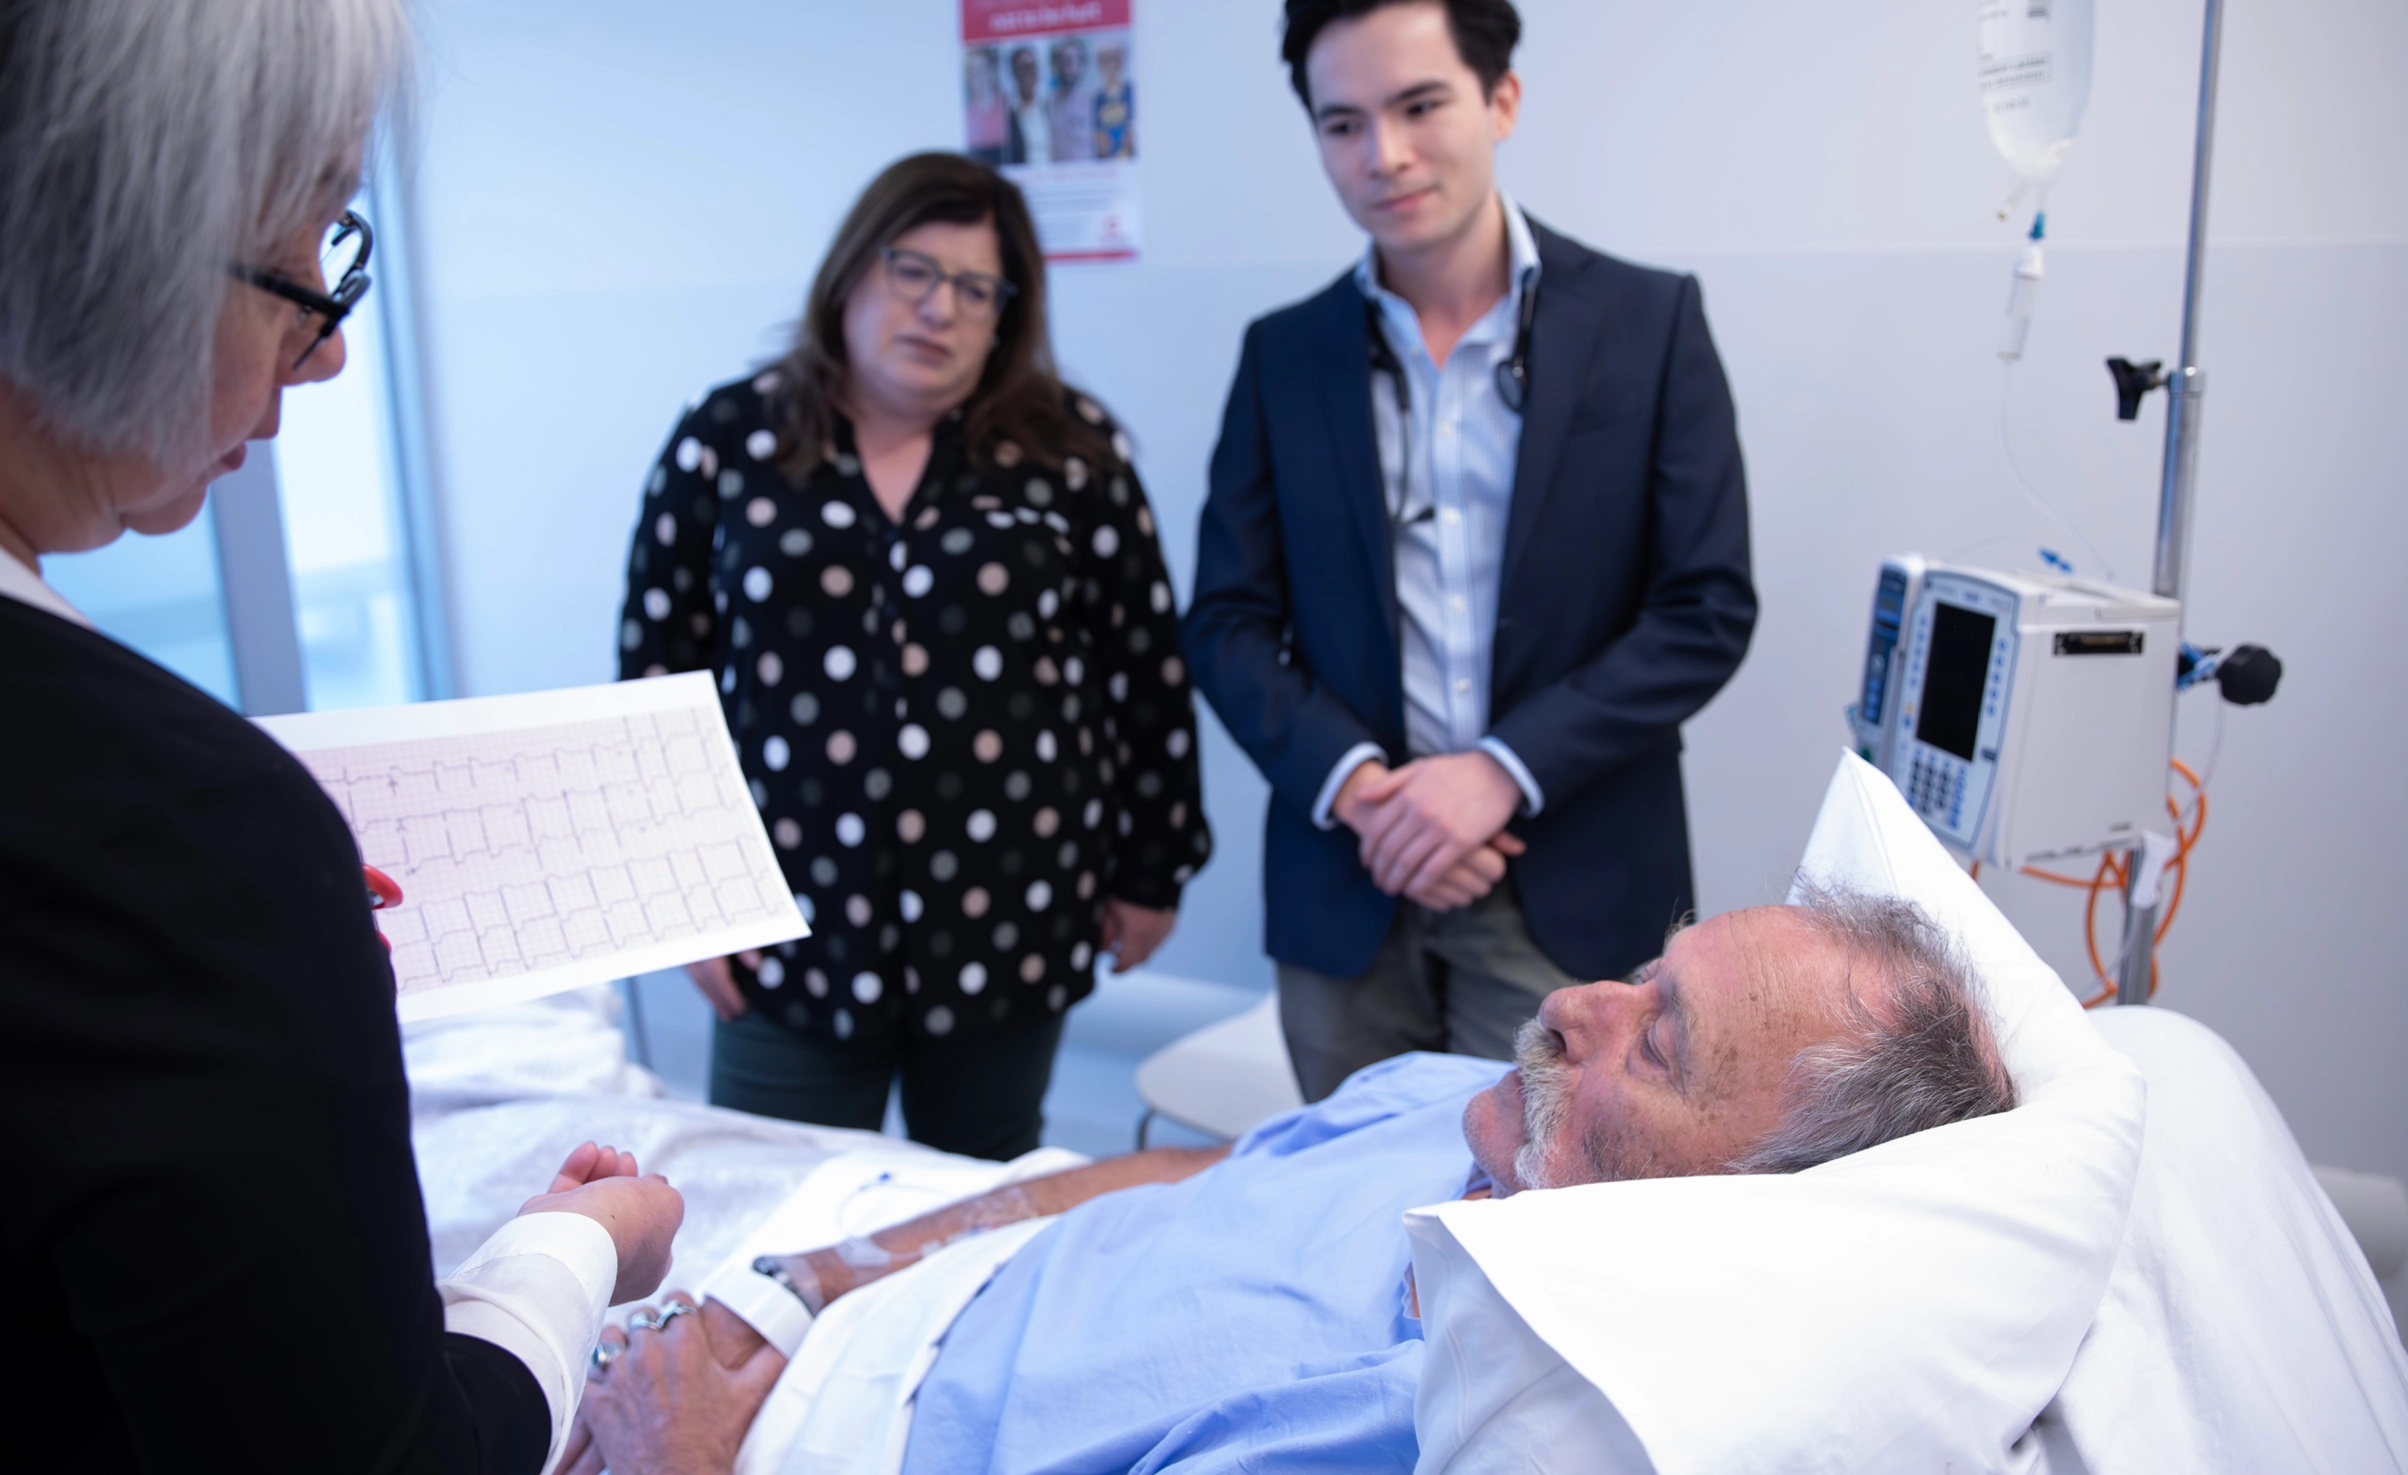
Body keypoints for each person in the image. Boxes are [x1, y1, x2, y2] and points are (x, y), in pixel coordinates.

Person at [0, 2, 681, 1470]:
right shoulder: (166, 829)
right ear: (101, 244)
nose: (321, 359)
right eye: (311, 247)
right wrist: (570, 1246)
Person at [561, 886, 2018, 1474]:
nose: (1580, 999)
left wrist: (688, 1452)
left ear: (1740, 1197)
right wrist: (827, 1272)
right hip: (879, 1295)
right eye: (1646, 971)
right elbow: (1186, 1175)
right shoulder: (1451, 1106)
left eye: (1665, 1035)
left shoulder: (1437, 1395)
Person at [1183, 0, 1758, 1100]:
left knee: (1560, 1225)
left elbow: (1702, 608)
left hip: (1569, 873)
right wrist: (1364, 793)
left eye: (1417, 106)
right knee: (1351, 1204)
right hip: (1348, 883)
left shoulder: (1648, 324)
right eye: (1340, 123)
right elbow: (1226, 621)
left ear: (1500, 99)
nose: (1381, 155)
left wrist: (1495, 774)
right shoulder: (1283, 356)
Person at [619, 152, 1209, 1160]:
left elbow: (1143, 673)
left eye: (975, 288)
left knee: (966, 1212)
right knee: (769, 1208)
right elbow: (654, 682)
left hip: (1011, 913)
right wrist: (685, 896)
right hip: (786, 922)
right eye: (914, 271)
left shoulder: (1071, 454)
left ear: (1004, 314)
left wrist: (1150, 867)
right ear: (853, 271)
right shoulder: (727, 440)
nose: (940, 308)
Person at [1005, 46, 1050, 165]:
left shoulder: (1049, 106)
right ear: (1014, 72)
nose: (1029, 72)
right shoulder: (1007, 112)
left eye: (1032, 66)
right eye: (1023, 68)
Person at [964, 48, 1009, 165]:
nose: (980, 76)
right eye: (974, 71)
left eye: (983, 69)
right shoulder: (967, 113)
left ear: (991, 72)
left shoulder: (1006, 105)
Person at [1093, 42, 1136, 159]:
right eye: (1103, 61)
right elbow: (1096, 130)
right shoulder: (1098, 99)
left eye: (1111, 59)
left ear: (1119, 62)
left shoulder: (1130, 92)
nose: (1108, 65)